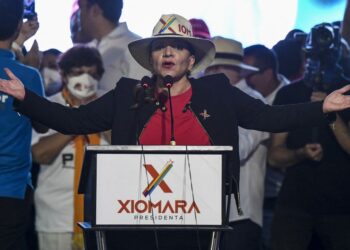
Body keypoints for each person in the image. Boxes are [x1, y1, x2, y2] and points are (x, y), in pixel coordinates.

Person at [1, 14, 350, 250]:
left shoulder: (218, 93)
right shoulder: (127, 94)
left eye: (178, 46)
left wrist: (321, 108)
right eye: (160, 46)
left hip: (198, 226)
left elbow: (269, 117)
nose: (168, 51)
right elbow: (73, 122)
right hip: (133, 222)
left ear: (191, 59)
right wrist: (25, 98)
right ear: (151, 58)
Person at [268, 23, 350, 250]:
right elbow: (274, 156)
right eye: (314, 55)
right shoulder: (289, 94)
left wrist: (329, 113)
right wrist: (300, 153)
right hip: (295, 204)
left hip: (341, 207)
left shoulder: (348, 92)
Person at [32, 45, 109, 250]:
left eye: (92, 74)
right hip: (56, 218)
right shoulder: (49, 106)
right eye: (77, 73)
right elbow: (39, 154)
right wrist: (77, 120)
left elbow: (124, 143)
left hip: (103, 217)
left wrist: (96, 112)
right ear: (64, 75)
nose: (85, 79)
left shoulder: (109, 105)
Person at [205, 37, 268, 250]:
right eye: (209, 68)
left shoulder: (253, 100)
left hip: (239, 215)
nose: (210, 73)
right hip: (205, 212)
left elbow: (237, 149)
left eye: (217, 68)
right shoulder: (203, 100)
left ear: (237, 71)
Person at [0, 0, 47, 249]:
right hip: (12, 191)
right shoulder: (28, 76)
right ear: (19, 25)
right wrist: (30, 71)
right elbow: (42, 124)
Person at [242, 44, 290, 249]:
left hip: (284, 200)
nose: (245, 79)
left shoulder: (290, 99)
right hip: (259, 200)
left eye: (250, 74)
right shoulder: (247, 98)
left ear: (268, 73)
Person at [78, 0, 149, 93]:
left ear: (95, 10)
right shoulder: (86, 49)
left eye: (81, 8)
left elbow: (140, 97)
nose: (78, 15)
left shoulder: (135, 47)